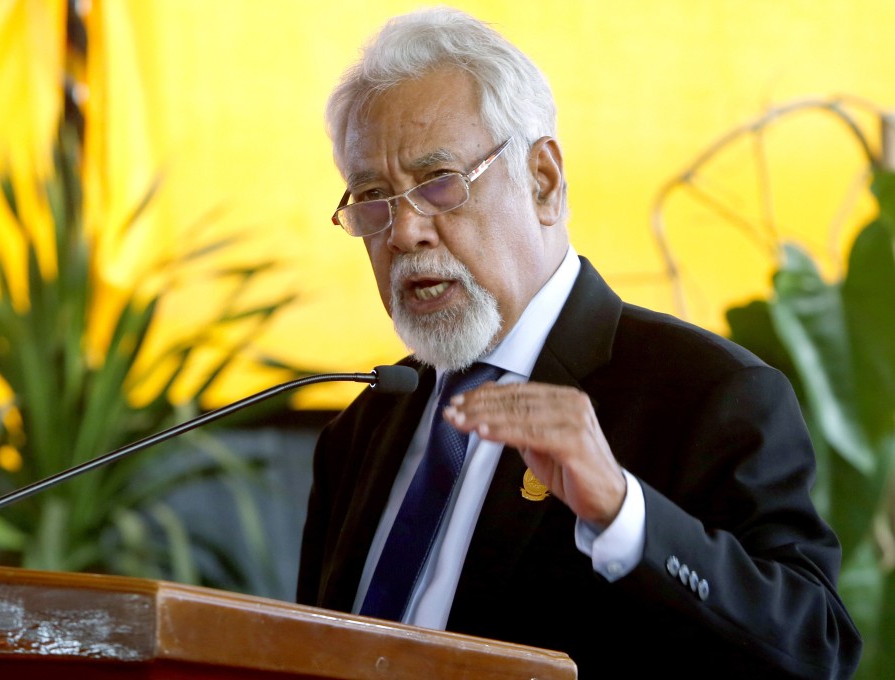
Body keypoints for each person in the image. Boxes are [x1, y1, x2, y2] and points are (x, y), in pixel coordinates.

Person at [297, 7, 861, 678]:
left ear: (543, 180)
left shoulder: (709, 393)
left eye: (439, 184)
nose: (403, 232)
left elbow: (815, 649)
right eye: (372, 197)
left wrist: (626, 515)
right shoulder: (363, 427)